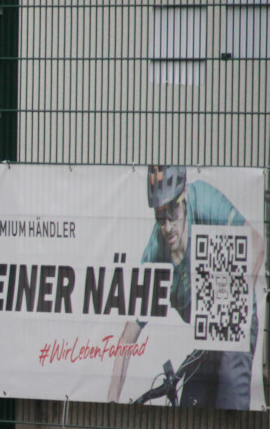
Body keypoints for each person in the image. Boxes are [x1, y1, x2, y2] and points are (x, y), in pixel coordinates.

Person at [109, 165, 265, 409]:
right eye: (160, 217)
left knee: (229, 397)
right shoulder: (155, 254)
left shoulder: (202, 200)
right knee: (190, 407)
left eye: (173, 212)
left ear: (183, 199)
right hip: (207, 335)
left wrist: (232, 304)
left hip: (234, 320)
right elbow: (127, 339)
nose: (168, 225)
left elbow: (256, 245)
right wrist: (111, 402)